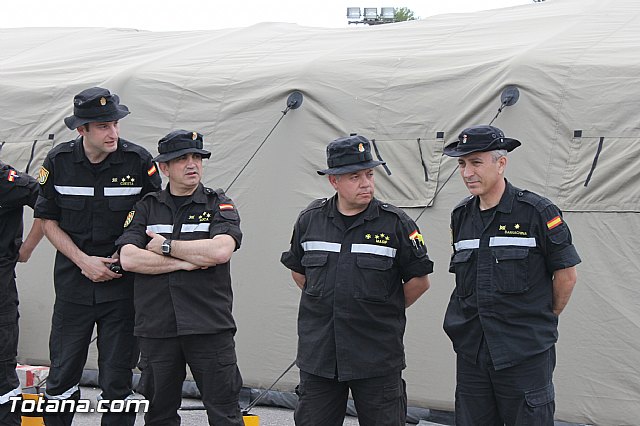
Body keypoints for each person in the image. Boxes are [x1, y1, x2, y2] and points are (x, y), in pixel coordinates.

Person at [280, 134, 433, 426]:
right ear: (334, 181)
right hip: (320, 357)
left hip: (376, 356)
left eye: (370, 174)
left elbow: (419, 281)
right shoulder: (310, 220)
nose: (366, 183)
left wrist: (381, 308)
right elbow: (299, 272)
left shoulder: (396, 224)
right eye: (355, 176)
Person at [34, 86, 162, 426]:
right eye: (104, 126)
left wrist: (124, 253)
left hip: (123, 288)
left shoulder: (138, 161)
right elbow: (47, 221)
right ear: (82, 130)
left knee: (117, 381)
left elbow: (154, 218)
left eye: (116, 123)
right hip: (74, 286)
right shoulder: (59, 162)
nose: (113, 132)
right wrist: (83, 261)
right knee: (61, 377)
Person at [442, 125, 581, 425]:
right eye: (462, 164)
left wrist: (540, 318)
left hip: (524, 353)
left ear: (501, 163)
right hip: (473, 353)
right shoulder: (461, 216)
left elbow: (566, 275)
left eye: (476, 162)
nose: (467, 172)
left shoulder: (537, 212)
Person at [117, 129, 245, 426]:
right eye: (182, 159)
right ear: (164, 167)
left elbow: (221, 251)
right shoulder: (147, 207)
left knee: (225, 414)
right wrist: (185, 262)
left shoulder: (218, 204)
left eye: (197, 157)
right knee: (158, 415)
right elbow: (129, 258)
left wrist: (165, 247)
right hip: (157, 329)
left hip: (209, 327)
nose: (192, 164)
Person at [0, 160, 45, 425]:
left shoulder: (11, 182)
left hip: (1, 291)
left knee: (3, 370)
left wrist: (27, 248)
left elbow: (48, 204)